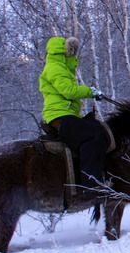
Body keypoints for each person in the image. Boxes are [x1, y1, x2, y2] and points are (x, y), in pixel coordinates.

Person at [39, 36, 108, 193]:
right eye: (71, 50)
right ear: (62, 51)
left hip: (66, 114)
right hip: (59, 116)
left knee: (96, 128)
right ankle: (91, 185)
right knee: (93, 135)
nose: (73, 54)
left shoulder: (63, 69)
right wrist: (90, 91)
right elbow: (69, 91)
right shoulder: (55, 67)